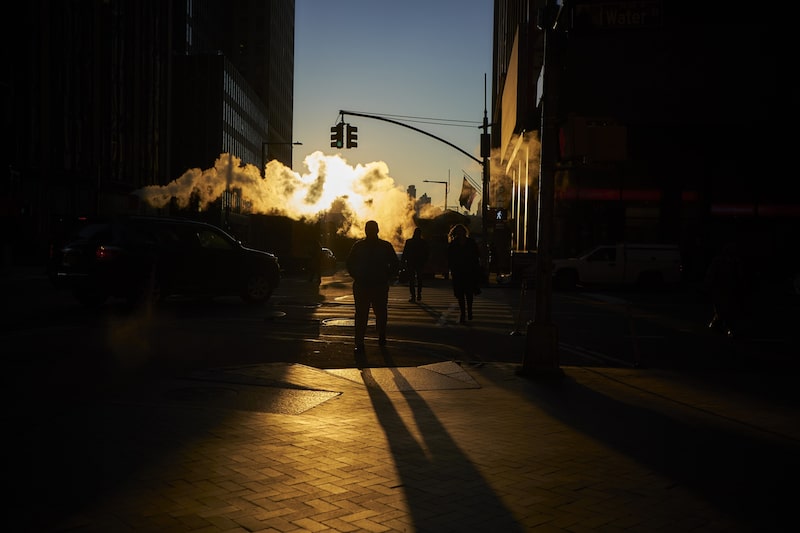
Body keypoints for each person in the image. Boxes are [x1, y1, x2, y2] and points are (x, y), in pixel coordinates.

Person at [345, 220, 400, 353]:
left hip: (370, 284)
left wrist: (357, 276)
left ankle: (363, 341)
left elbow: (349, 263)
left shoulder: (361, 246)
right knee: (376, 313)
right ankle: (370, 339)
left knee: (366, 314)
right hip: (372, 284)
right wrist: (387, 276)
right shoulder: (382, 246)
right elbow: (395, 264)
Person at [704, 242, 746, 338]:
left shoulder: (731, 261)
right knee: (723, 309)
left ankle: (720, 326)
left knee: (724, 309)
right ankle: (723, 326)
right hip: (723, 289)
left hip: (726, 289)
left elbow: (739, 275)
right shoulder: (724, 261)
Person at [446, 223, 481, 324]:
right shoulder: (453, 244)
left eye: (461, 231)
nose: (460, 233)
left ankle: (469, 310)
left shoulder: (471, 242)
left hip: (469, 271)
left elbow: (476, 256)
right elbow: (450, 258)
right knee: (460, 294)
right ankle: (463, 313)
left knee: (469, 293)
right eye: (458, 232)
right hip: (458, 272)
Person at [401, 227, 430, 303]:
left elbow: (405, 253)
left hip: (411, 262)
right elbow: (427, 253)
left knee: (412, 280)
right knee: (419, 279)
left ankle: (413, 296)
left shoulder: (409, 242)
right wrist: (425, 261)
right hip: (419, 263)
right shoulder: (423, 242)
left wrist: (403, 262)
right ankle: (419, 294)